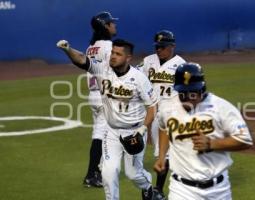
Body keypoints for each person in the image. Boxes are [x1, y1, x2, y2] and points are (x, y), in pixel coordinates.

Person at [57, 39, 158, 200]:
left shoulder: (139, 78)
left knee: (133, 174)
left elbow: (153, 106)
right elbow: (82, 59)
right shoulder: (101, 69)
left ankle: (148, 188)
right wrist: (68, 49)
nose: (113, 56)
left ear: (128, 57)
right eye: (112, 52)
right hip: (111, 131)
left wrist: (143, 129)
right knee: (108, 172)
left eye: (118, 54)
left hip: (134, 131)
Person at [154, 63, 253, 200]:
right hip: (181, 190)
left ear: (202, 89)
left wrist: (211, 144)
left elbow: (245, 140)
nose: (188, 97)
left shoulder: (221, 107)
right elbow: (163, 127)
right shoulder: (167, 106)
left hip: (218, 190)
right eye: (183, 93)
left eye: (192, 92)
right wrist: (162, 156)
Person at [138, 30, 185, 199]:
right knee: (162, 152)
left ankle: (158, 189)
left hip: (172, 111)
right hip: (154, 111)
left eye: (163, 46)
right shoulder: (148, 61)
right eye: (157, 46)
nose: (159, 49)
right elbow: (137, 79)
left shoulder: (181, 65)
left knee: (162, 152)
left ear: (172, 46)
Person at [83, 11, 118, 188]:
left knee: (100, 134)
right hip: (104, 95)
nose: (114, 25)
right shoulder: (108, 45)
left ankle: (94, 172)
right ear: (105, 26)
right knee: (104, 136)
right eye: (112, 23)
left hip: (93, 94)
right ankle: (93, 173)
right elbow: (117, 67)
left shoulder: (91, 47)